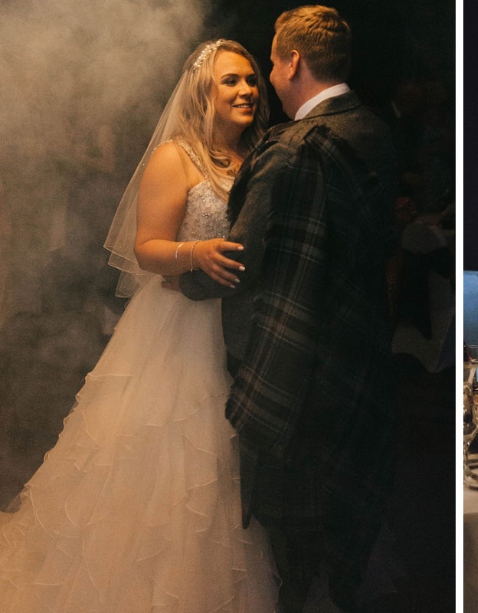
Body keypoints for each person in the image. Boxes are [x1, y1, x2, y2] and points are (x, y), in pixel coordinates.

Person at [0, 40, 279, 611]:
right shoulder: (176, 157)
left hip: (244, 327)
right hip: (178, 328)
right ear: (202, 92)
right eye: (231, 81)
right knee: (172, 448)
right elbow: (146, 247)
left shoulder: (259, 155)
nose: (247, 90)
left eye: (251, 79)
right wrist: (195, 253)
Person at [179, 7, 398, 612]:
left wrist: (181, 283)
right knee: (347, 529)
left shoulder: (291, 147)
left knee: (296, 543)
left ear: (293, 61)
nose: (263, 81)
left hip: (297, 370)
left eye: (269, 65)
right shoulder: (373, 128)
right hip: (361, 357)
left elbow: (242, 262)